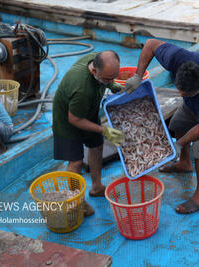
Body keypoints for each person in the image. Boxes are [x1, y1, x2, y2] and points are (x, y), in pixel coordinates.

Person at [124, 39, 199, 214]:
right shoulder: (178, 58)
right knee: (177, 123)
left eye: (185, 93)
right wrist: (137, 76)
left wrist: (179, 144)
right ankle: (184, 163)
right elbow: (150, 44)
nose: (180, 94)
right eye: (178, 89)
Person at [52, 50, 125, 216]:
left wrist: (112, 85)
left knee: (97, 145)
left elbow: (107, 81)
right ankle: (77, 202)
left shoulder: (93, 62)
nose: (111, 80)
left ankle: (97, 186)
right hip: (67, 120)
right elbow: (75, 119)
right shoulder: (82, 89)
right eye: (108, 79)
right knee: (76, 162)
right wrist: (104, 130)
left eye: (114, 76)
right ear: (94, 71)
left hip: (88, 110)